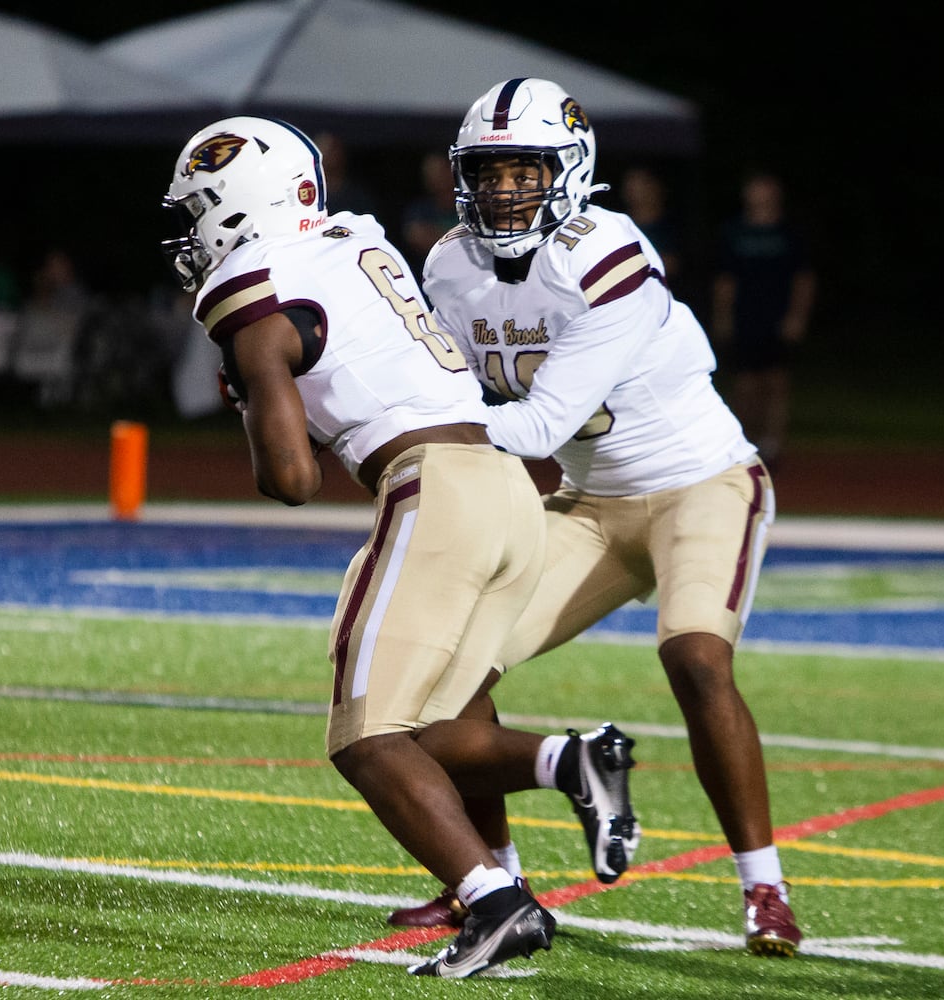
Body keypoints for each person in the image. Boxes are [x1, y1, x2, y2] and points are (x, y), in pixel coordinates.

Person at [160, 115, 640, 979]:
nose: (195, 231)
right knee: (427, 728)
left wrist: (250, 392)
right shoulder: (353, 238)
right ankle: (570, 761)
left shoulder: (246, 283)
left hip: (434, 489)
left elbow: (291, 480)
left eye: (200, 209)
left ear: (236, 207)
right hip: (506, 485)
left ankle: (495, 904)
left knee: (364, 736)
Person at [403, 77, 802, 959]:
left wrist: (399, 425)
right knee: (450, 674)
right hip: (588, 505)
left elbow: (538, 425)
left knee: (695, 657)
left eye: (525, 170)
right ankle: (488, 881)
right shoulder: (450, 266)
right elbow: (447, 386)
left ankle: (764, 888)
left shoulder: (605, 251)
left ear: (570, 171)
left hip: (702, 483)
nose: (505, 189)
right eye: (490, 171)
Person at [709, 170, 816, 471]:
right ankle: (745, 441)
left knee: (777, 382)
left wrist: (796, 316)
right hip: (746, 317)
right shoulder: (734, 232)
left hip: (777, 317)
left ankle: (773, 444)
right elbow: (725, 279)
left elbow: (803, 278)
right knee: (745, 384)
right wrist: (723, 316)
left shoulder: (789, 232)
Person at [620, 164, 682, 291]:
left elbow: (669, 266)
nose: (633, 188)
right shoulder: (616, 226)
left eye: (642, 182)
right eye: (630, 181)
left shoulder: (672, 230)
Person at [400, 149, 460, 278]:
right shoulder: (419, 209)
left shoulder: (470, 207)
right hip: (427, 279)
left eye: (440, 172)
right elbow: (416, 238)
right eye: (430, 173)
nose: (435, 178)